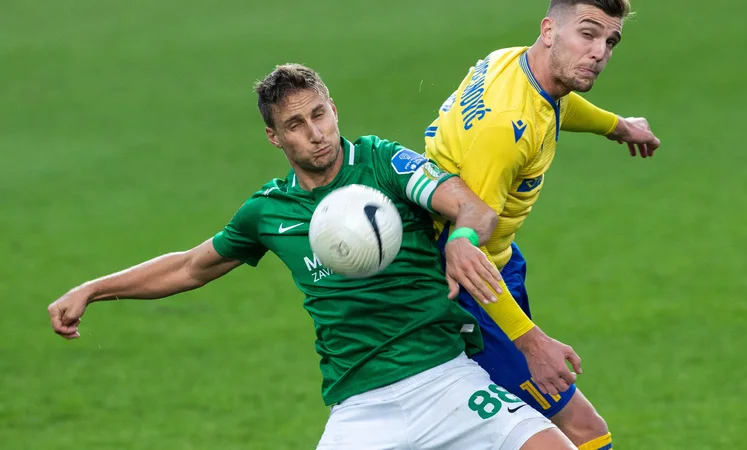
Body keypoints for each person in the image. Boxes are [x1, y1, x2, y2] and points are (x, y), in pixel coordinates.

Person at [47, 63, 580, 449]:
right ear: (274, 137)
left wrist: (463, 239)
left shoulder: (382, 162)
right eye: (297, 125)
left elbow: (472, 208)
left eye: (320, 114)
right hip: (361, 409)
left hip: (446, 379)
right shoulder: (268, 211)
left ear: (333, 108)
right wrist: (93, 288)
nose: (317, 133)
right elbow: (190, 266)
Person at [423, 1, 662, 449]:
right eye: (587, 35)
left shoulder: (511, 61)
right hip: (468, 286)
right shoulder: (504, 130)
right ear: (549, 30)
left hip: (499, 264)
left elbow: (555, 105)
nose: (600, 52)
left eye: (610, 41)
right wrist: (531, 342)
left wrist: (618, 127)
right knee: (583, 429)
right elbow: (466, 252)